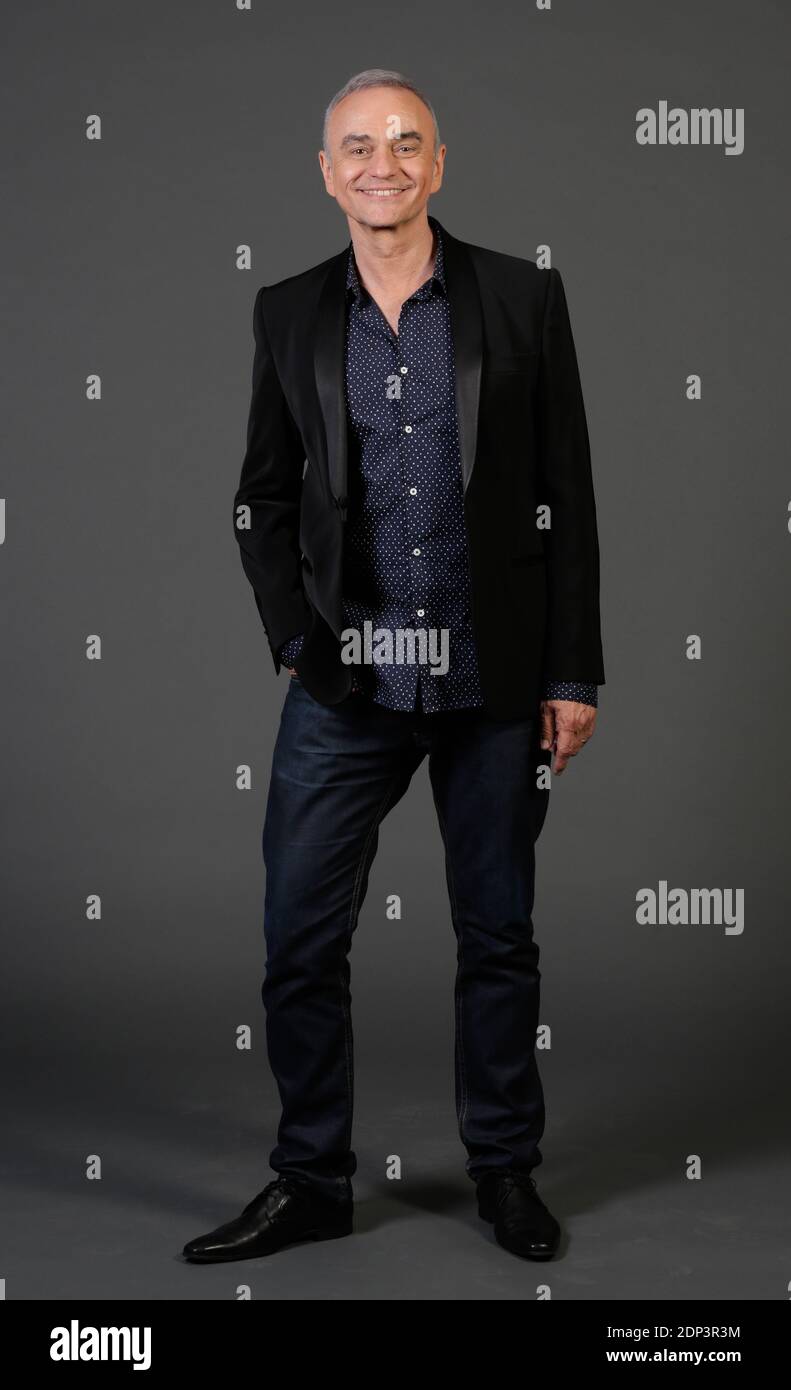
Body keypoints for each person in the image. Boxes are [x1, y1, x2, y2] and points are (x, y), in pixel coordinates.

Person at [183, 67, 604, 1266]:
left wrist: (572, 674)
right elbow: (260, 501)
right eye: (357, 146)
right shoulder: (286, 310)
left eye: (405, 142)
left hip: (493, 680)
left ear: (437, 163)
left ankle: (504, 1173)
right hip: (347, 683)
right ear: (327, 173)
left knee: (498, 935)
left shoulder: (521, 298)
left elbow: (564, 499)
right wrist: (294, 641)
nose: (382, 162)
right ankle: (309, 1177)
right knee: (298, 941)